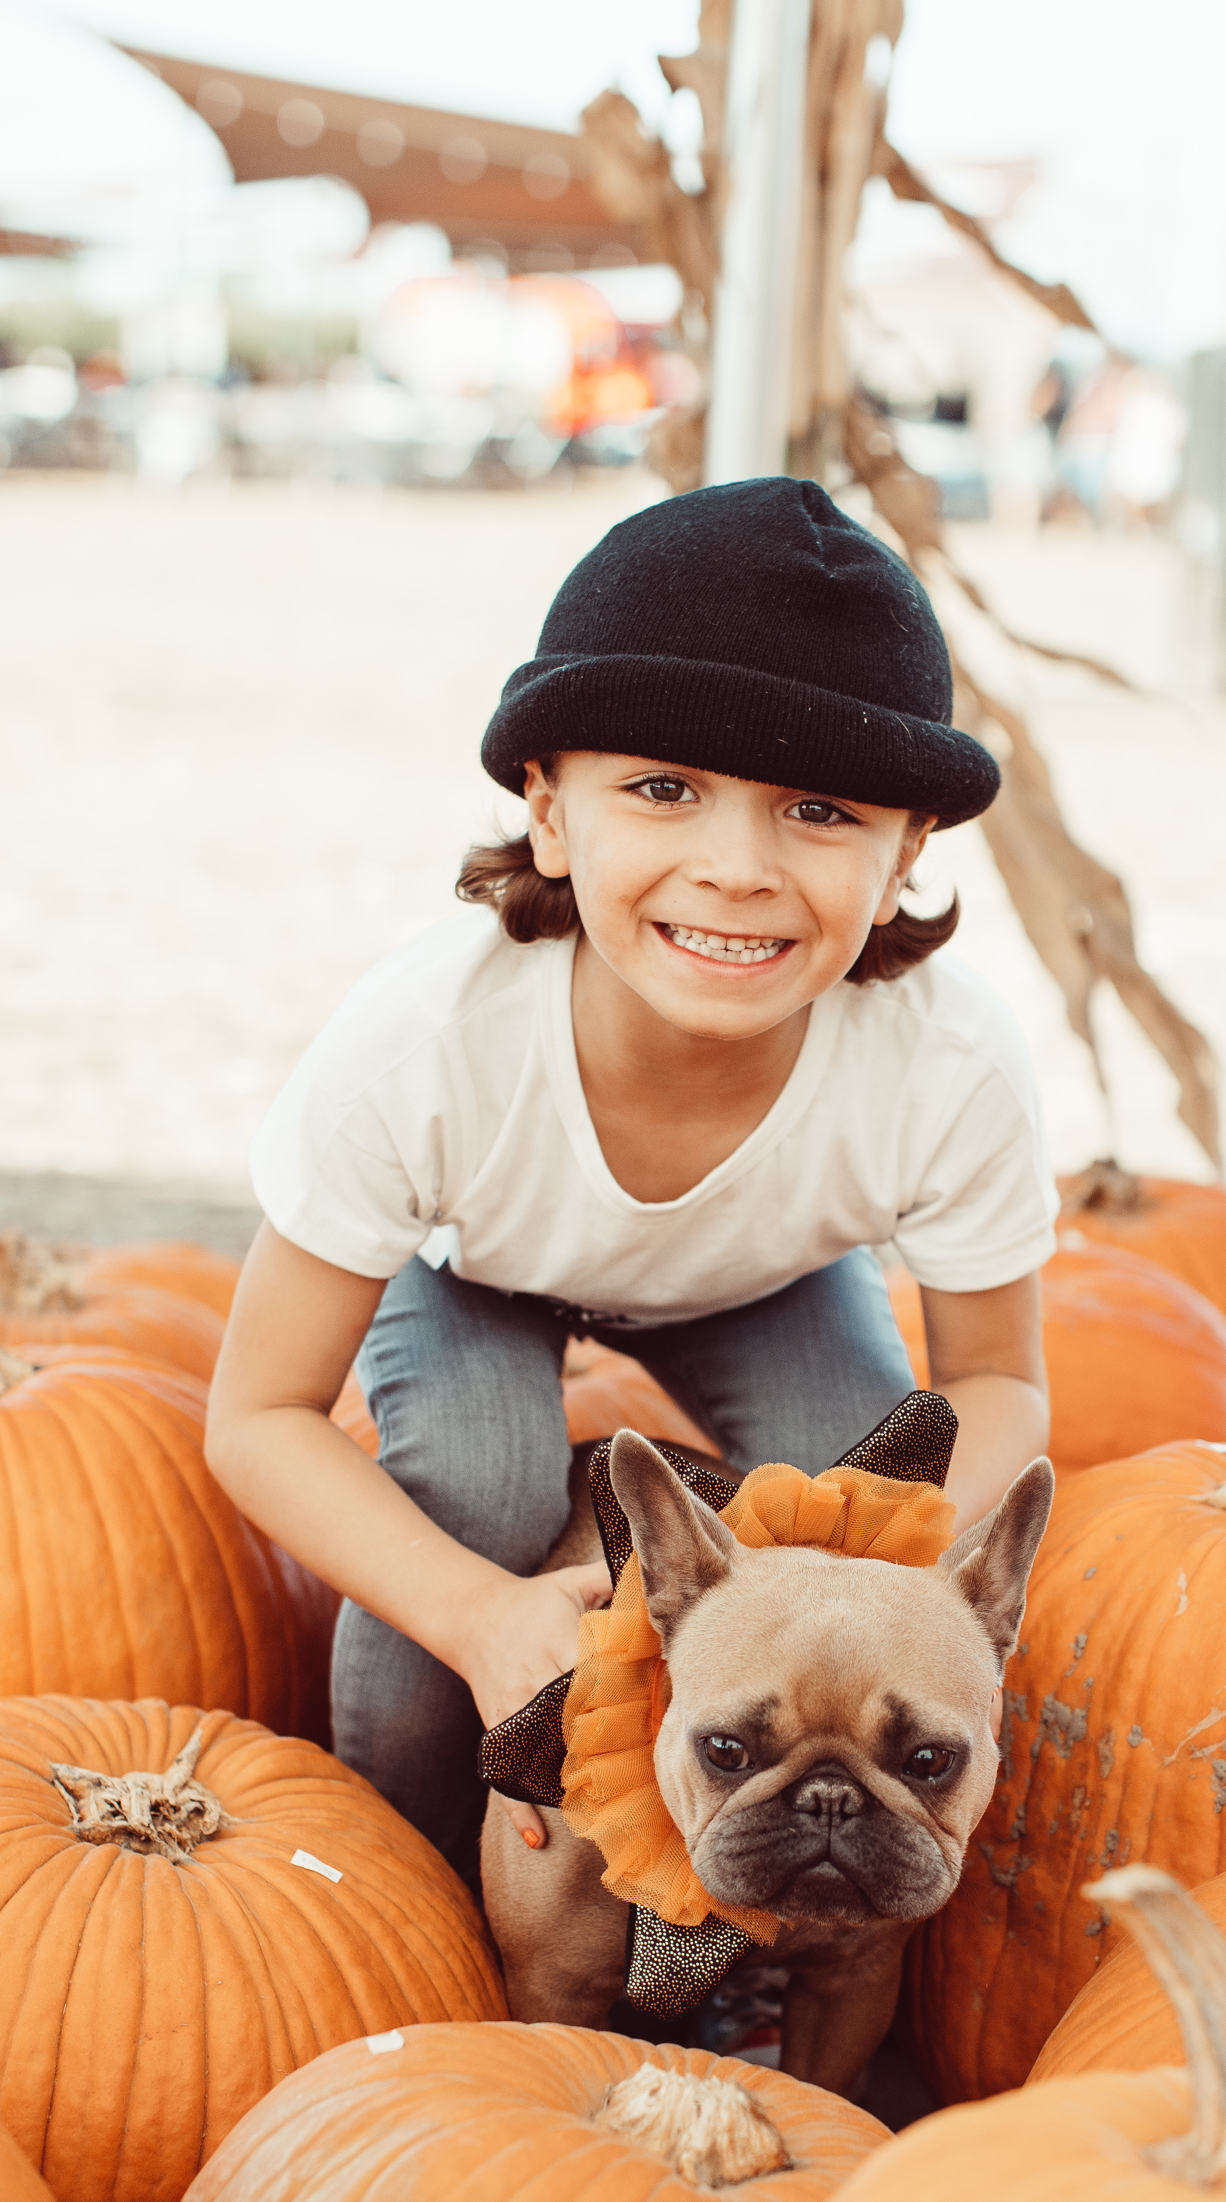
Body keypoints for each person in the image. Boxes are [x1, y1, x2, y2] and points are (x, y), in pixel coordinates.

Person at [205, 477, 1057, 1897]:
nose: (735, 868)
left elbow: (1001, 1390)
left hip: (768, 1281)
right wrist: (485, 1622)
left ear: (908, 853)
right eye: (663, 790)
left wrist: (889, 1595)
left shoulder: (948, 1064)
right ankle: (388, 1858)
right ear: (548, 810)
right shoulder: (425, 1051)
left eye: (819, 811)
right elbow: (256, 1418)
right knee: (471, 1477)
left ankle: (764, 1902)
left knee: (866, 1475)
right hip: (486, 1270)